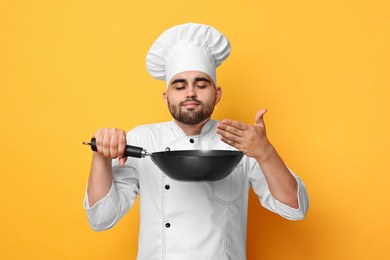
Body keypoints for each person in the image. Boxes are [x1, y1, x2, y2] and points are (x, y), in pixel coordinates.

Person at [84, 23, 309, 260]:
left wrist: (266, 154)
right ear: (166, 97)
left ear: (217, 93)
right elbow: (100, 219)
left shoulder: (240, 141)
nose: (190, 93)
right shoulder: (142, 140)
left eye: (201, 85)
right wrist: (100, 155)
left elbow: (294, 208)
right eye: (179, 86)